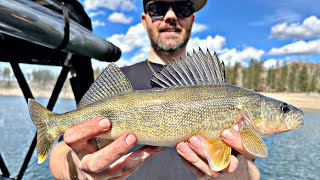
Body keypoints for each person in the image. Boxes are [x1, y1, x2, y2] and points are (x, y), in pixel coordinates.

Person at [49, 0, 260, 179]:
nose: (170, 16)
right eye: (158, 8)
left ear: (192, 19)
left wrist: (233, 173)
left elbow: (252, 171)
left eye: (182, 8)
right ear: (145, 19)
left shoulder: (224, 92)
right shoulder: (119, 83)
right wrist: (80, 169)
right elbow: (59, 154)